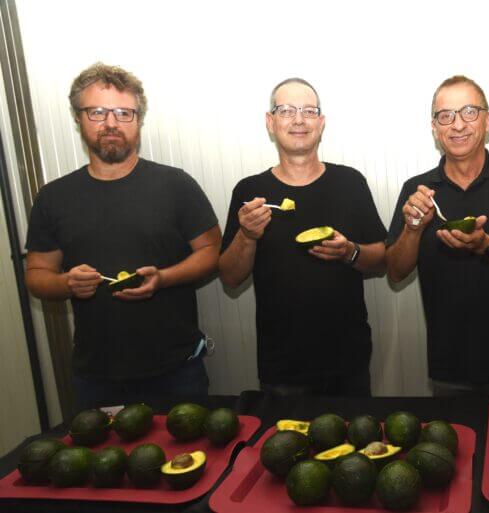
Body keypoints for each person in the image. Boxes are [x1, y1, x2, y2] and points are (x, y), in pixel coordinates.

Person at [25, 63, 222, 410]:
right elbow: (37, 275)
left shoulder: (176, 185)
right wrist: (67, 283)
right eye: (97, 112)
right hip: (97, 377)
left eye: (123, 113)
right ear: (78, 118)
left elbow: (211, 250)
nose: (111, 123)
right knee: (101, 464)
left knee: (188, 461)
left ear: (138, 121)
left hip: (177, 370)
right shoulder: (53, 197)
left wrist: (163, 278)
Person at [218, 78, 386, 396]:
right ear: (271, 122)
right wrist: (247, 235)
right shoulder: (250, 191)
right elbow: (230, 277)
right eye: (286, 110)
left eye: (308, 111)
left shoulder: (350, 182)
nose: (298, 119)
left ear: (321, 123)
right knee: (284, 446)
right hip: (281, 367)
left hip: (348, 361)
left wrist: (350, 251)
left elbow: (383, 259)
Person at [386, 75, 489, 396]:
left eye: (469, 112)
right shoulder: (418, 190)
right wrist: (414, 228)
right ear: (435, 128)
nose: (458, 125)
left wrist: (488, 246)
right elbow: (396, 271)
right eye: (446, 116)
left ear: (487, 121)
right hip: (448, 367)